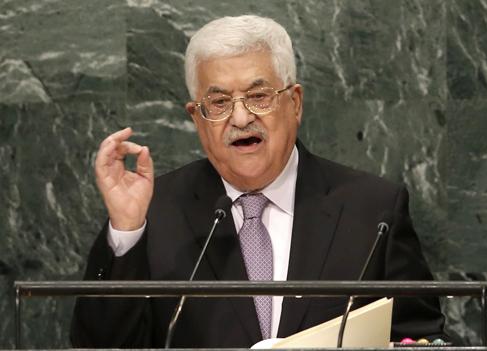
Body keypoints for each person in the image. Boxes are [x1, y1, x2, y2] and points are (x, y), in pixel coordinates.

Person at [71, 15, 445, 348]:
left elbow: (421, 337)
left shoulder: (373, 211)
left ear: (295, 103)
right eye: (218, 103)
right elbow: (101, 346)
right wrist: (126, 231)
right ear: (195, 117)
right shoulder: (153, 213)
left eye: (258, 96)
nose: (240, 117)